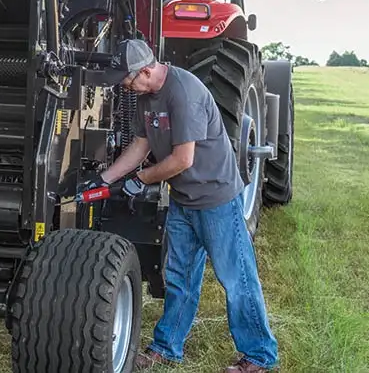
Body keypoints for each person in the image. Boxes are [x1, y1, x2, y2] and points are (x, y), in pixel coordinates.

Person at [78, 39, 278, 372]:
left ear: (144, 71)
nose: (124, 86)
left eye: (127, 79)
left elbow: (183, 160)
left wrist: (141, 180)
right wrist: (106, 178)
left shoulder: (183, 92)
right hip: (184, 201)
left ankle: (258, 356)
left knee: (237, 280)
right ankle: (167, 347)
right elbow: (141, 146)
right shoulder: (144, 98)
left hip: (216, 201)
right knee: (179, 278)